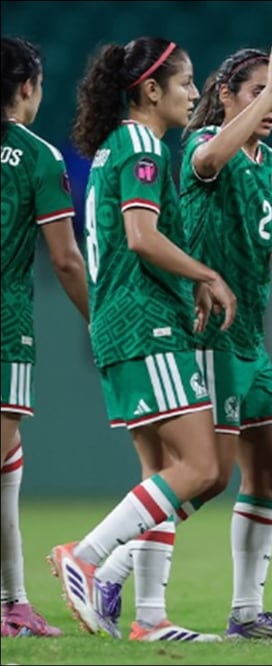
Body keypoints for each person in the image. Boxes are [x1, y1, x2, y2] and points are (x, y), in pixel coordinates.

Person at [88, 43, 272, 641]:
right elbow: (208, 159)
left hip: (251, 339)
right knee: (202, 473)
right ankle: (111, 570)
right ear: (226, 95)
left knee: (270, 472)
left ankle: (246, 612)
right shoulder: (203, 144)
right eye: (258, 90)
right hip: (211, 334)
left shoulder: (266, 165)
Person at [47, 35, 236, 643]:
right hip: (145, 322)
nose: (192, 94)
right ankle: (87, 555)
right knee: (203, 467)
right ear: (150, 90)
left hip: (124, 323)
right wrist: (207, 273)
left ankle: (149, 617)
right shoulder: (140, 146)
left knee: (162, 475)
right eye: (185, 83)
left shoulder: (112, 149)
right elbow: (141, 236)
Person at [1, 36, 89, 638]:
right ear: (28, 86)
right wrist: (102, 321)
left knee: (8, 464)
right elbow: (65, 260)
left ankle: (14, 602)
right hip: (5, 328)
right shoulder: (38, 156)